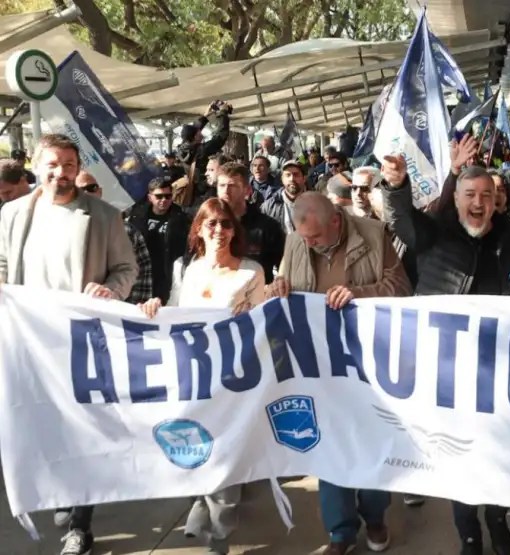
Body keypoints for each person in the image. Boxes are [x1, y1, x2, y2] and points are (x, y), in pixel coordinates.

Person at [380, 158, 510, 555]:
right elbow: (402, 221)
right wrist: (396, 183)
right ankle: (469, 535)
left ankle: (497, 517)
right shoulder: (433, 233)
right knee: (457, 453)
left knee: (499, 449)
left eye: (486, 196)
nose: (479, 203)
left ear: (497, 201)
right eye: (470, 195)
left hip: (501, 370)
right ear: (456, 198)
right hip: (445, 369)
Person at [0, 134, 138, 555]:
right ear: (36, 166)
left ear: (78, 167)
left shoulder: (102, 216)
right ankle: (61, 494)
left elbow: (126, 268)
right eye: (53, 164)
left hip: (81, 343)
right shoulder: (12, 213)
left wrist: (111, 292)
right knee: (41, 427)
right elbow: (3, 262)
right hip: (30, 343)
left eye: (68, 164)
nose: (61, 173)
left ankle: (80, 524)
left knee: (83, 435)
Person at [265, 192, 412, 554]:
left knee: (371, 443)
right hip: (318, 368)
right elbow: (283, 287)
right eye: (304, 239)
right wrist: (278, 286)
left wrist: (357, 294)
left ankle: (375, 515)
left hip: (368, 368)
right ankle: (340, 531)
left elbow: (401, 289)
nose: (309, 244)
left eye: (315, 237)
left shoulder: (375, 236)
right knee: (328, 448)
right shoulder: (296, 241)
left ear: (336, 221)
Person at [138, 198, 264, 555]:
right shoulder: (187, 269)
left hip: (234, 378)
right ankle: (199, 503)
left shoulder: (251, 271)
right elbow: (174, 313)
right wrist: (153, 308)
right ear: (199, 230)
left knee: (225, 457)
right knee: (194, 447)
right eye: (211, 224)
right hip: (191, 376)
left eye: (226, 225)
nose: (219, 231)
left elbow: (258, 325)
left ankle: (221, 535)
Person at [74, 171, 153, 305]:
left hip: (116, 313)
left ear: (99, 191)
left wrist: (135, 312)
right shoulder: (59, 228)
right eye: (81, 190)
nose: (87, 193)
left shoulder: (127, 231)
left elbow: (141, 274)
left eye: (91, 188)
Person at [215, 162, 285, 283]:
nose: (226, 191)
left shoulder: (268, 227)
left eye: (232, 186)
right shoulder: (208, 225)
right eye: (222, 185)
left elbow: (284, 268)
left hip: (256, 295)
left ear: (247, 190)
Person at [128, 177, 192, 304]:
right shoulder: (137, 216)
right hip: (142, 272)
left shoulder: (181, 218)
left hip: (167, 273)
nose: (164, 200)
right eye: (159, 196)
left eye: (168, 196)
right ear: (150, 197)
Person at [175, 102, 231, 205]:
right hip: (206, 191)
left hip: (191, 193)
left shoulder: (181, 150)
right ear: (195, 137)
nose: (201, 134)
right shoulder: (202, 151)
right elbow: (221, 136)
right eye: (199, 133)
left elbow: (190, 132)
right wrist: (223, 113)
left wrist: (205, 117)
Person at [260, 160, 307, 234]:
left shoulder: (316, 204)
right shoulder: (269, 207)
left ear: (304, 178)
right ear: (282, 179)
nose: (292, 179)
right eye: (288, 175)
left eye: (296, 175)